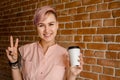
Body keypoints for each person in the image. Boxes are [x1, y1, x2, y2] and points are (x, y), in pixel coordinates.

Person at [6, 6, 83, 80]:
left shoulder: (66, 55)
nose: (47, 30)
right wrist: (14, 63)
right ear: (36, 27)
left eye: (51, 24)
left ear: (57, 25)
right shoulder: (25, 50)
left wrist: (73, 75)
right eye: (41, 25)